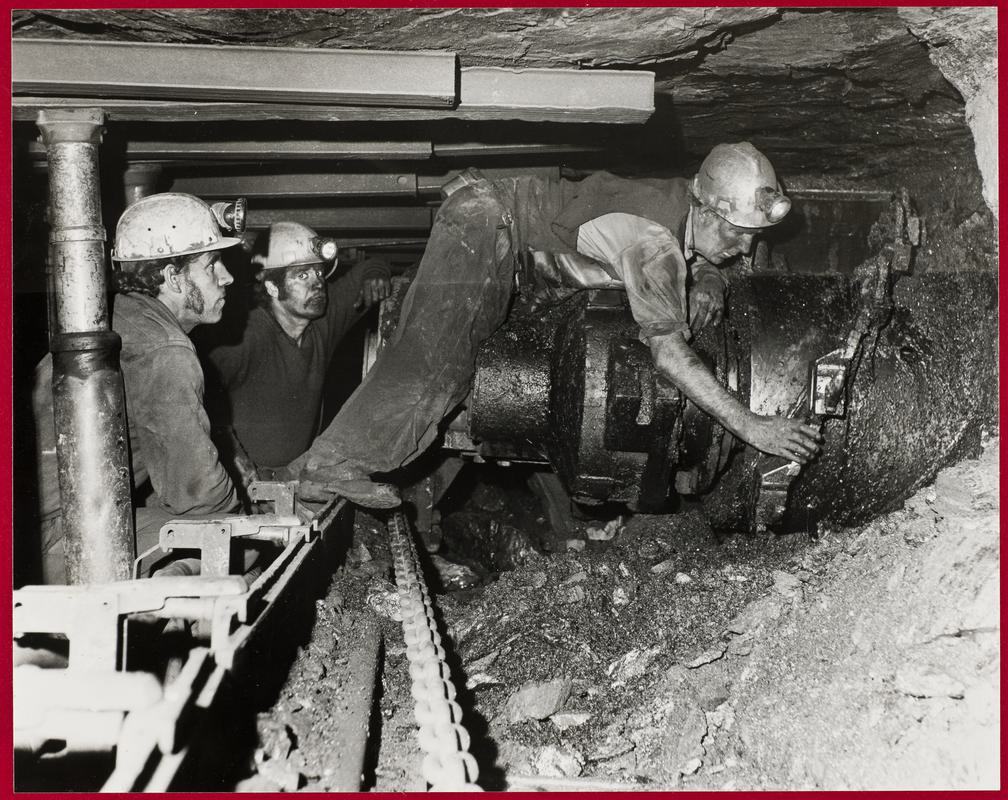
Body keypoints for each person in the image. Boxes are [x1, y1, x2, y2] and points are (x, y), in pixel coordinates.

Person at [288, 141, 823, 507]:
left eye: (751, 236)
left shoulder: (679, 203)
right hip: (488, 224)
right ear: (707, 209)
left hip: (506, 238)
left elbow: (684, 244)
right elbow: (668, 352)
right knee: (436, 360)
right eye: (738, 233)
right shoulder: (654, 245)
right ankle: (329, 466)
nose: (746, 247)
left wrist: (708, 276)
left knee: (451, 365)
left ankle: (316, 466)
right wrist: (751, 425)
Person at [32, 192, 242, 583]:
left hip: (33, 526)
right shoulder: (165, 349)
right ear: (173, 277)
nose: (227, 276)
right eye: (212, 264)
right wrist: (244, 511)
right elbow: (197, 496)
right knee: (236, 539)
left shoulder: (114, 315)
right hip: (52, 540)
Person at [196, 221, 392, 505]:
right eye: (302, 275)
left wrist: (375, 275)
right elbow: (199, 397)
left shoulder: (319, 323)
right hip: (248, 486)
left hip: (294, 478)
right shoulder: (249, 337)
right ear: (273, 287)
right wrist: (235, 459)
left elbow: (373, 265)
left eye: (319, 272)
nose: (317, 283)